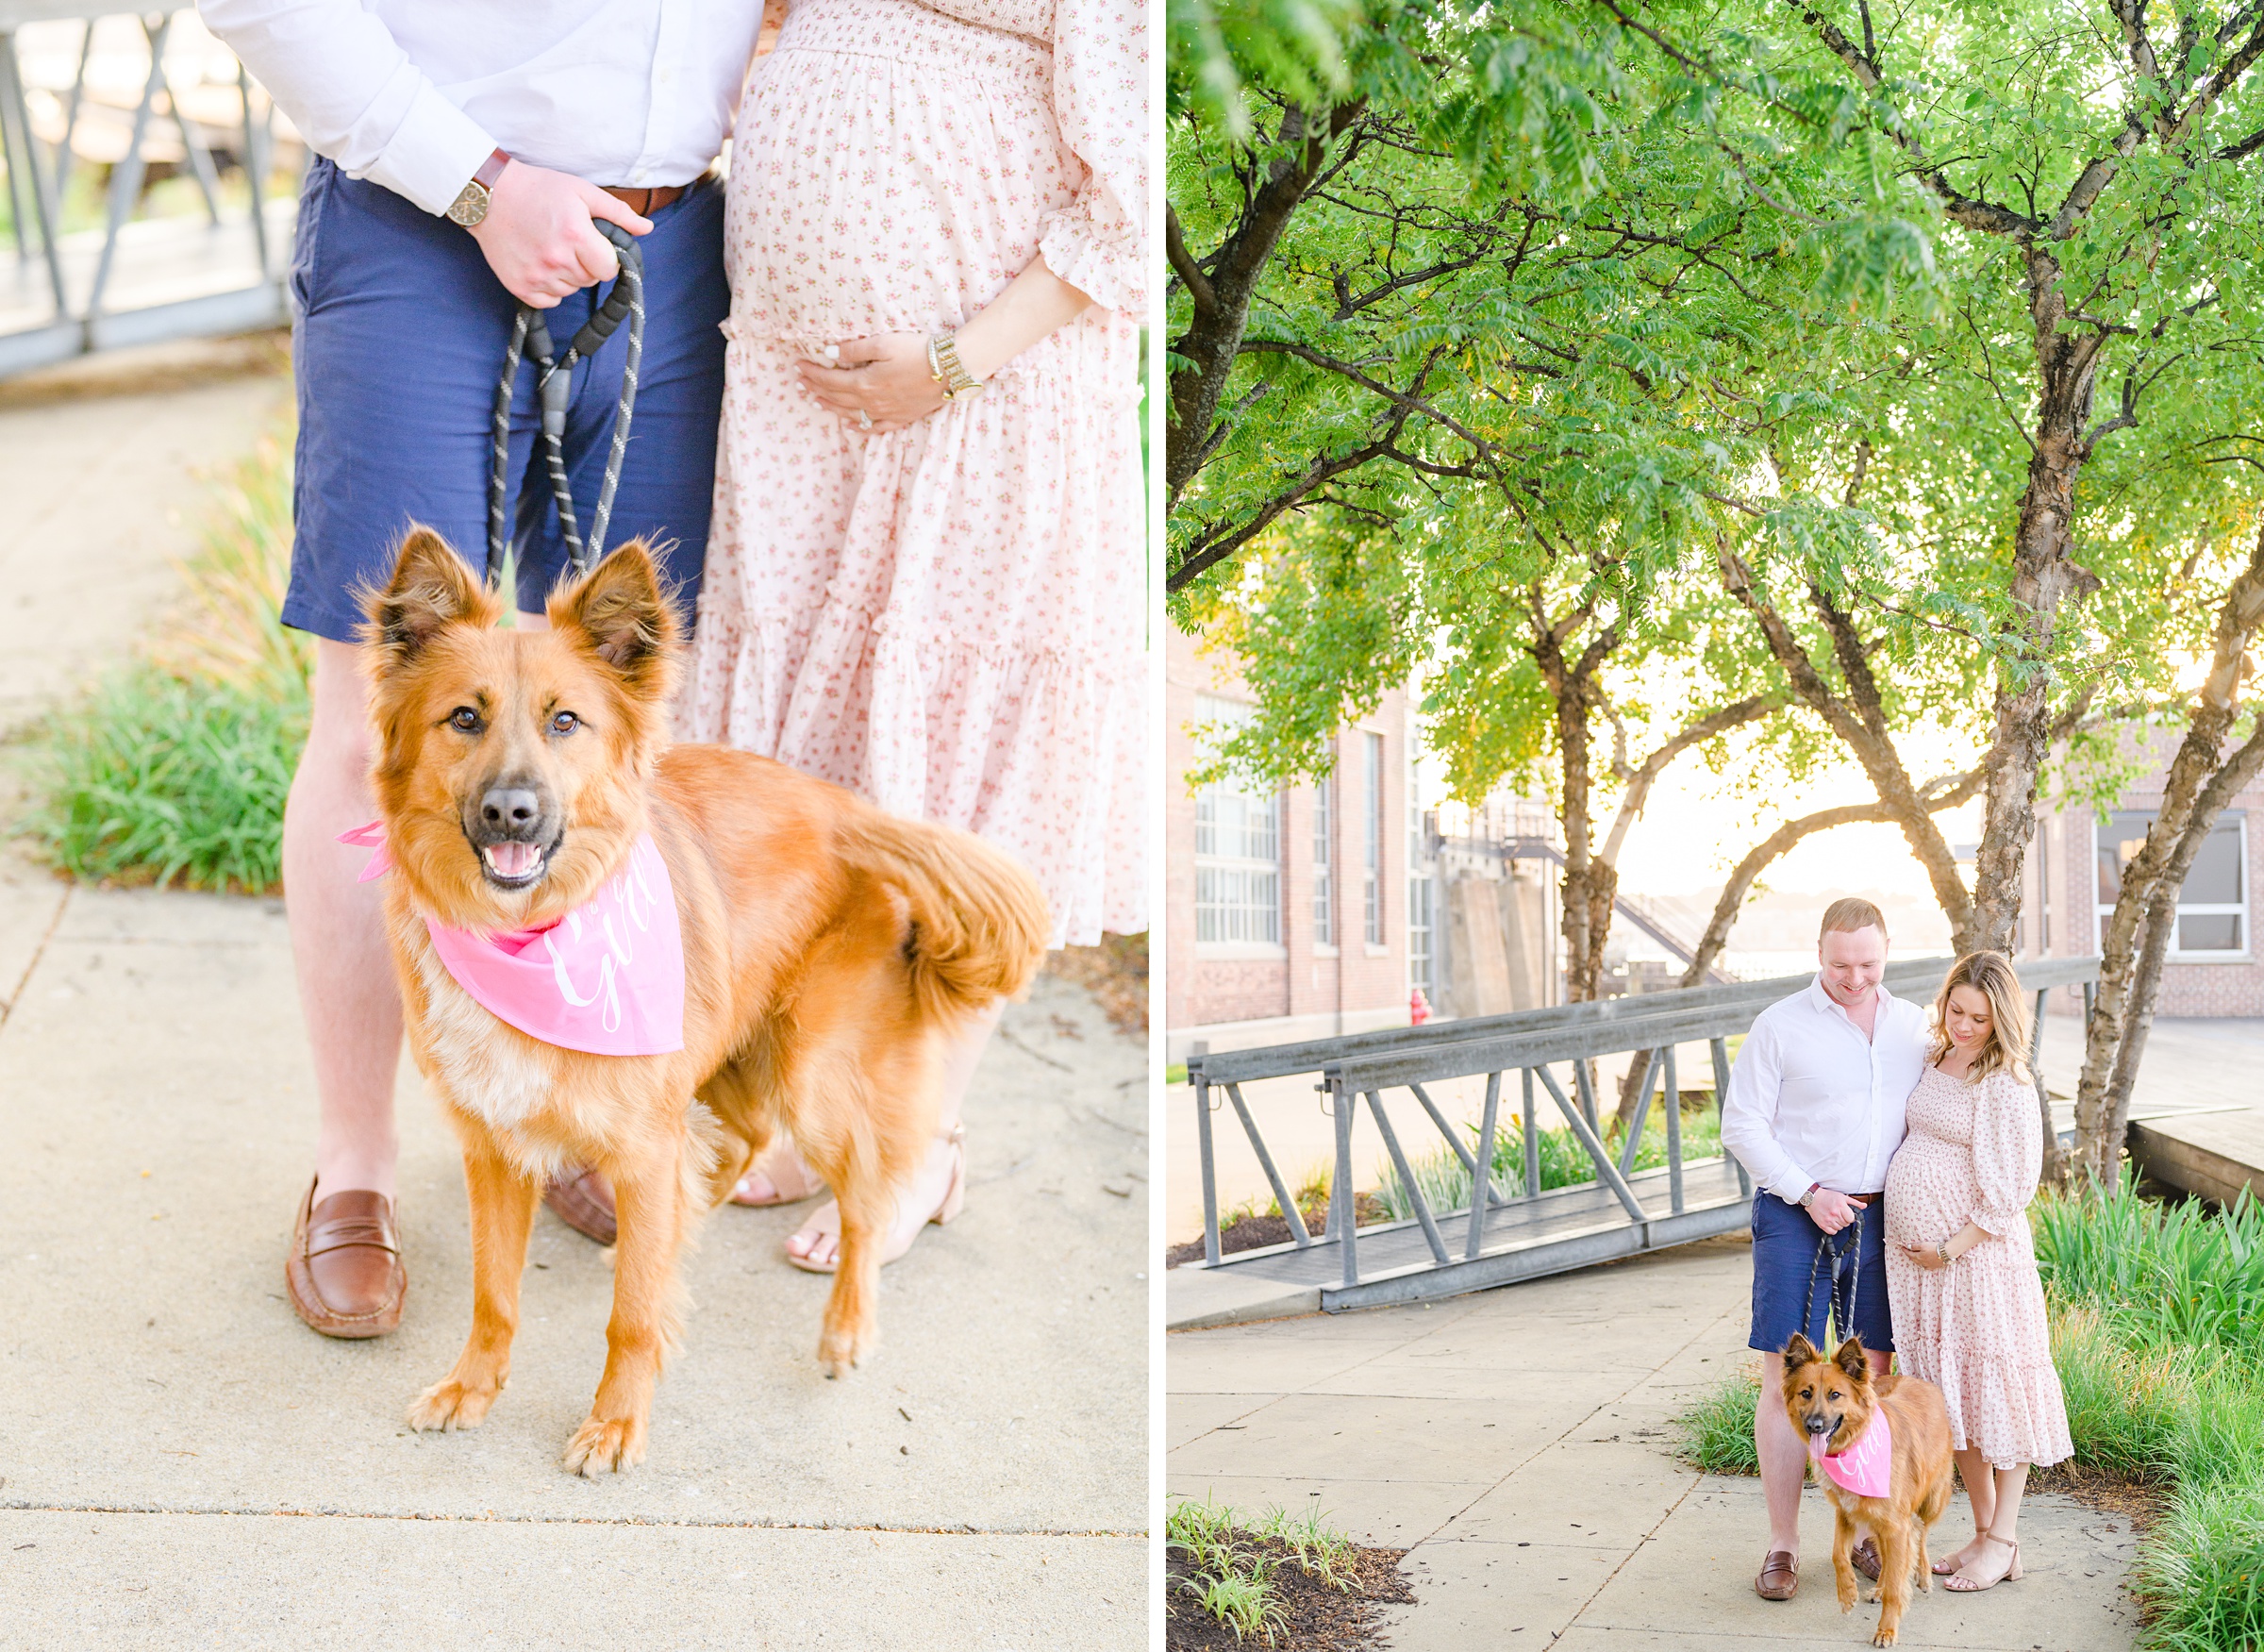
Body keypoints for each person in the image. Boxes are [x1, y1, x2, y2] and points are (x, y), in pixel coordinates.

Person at [198, 0, 767, 1337]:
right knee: (374, 728)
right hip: (426, 220)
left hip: (676, 244)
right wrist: (479, 182)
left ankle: (577, 1110)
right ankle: (356, 1171)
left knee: (611, 732)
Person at [680, 0, 1149, 1271]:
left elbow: (1130, 183)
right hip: (794, 398)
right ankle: (805, 1101)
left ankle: (915, 1140)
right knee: (809, 776)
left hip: (983, 400)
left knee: (954, 784)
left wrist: (950, 360)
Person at [1720, 897, 1929, 1603]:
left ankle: (1868, 1531)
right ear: (1819, 952)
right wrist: (1808, 1190)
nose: (1854, 976)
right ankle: (1783, 1543)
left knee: (1868, 1373)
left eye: (1868, 962)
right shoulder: (1780, 1026)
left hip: (1879, 1215)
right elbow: (1741, 1123)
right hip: (1795, 1211)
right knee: (1790, 1383)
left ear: (1886, 951)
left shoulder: (1912, 1026)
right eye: (1840, 963)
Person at [1884, 951, 2073, 1592]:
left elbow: (2012, 1193)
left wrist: (1949, 1248)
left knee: (2001, 1396)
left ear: (2003, 1019)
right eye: (1955, 1009)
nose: (1963, 1025)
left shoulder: (2006, 1081)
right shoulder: (1938, 1057)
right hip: (1925, 1272)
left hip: (1978, 1263)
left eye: (1979, 1018)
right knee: (1952, 1399)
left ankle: (2006, 1536)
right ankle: (1989, 1536)